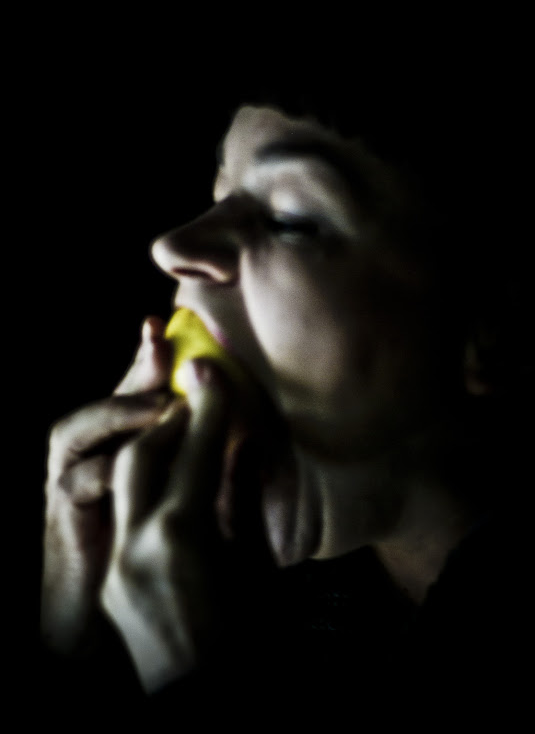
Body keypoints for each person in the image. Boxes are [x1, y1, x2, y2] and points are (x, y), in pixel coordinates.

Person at [40, 82, 531, 721]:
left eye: (290, 218)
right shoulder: (311, 621)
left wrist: (198, 686)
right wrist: (81, 650)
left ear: (494, 329)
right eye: (218, 197)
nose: (173, 248)